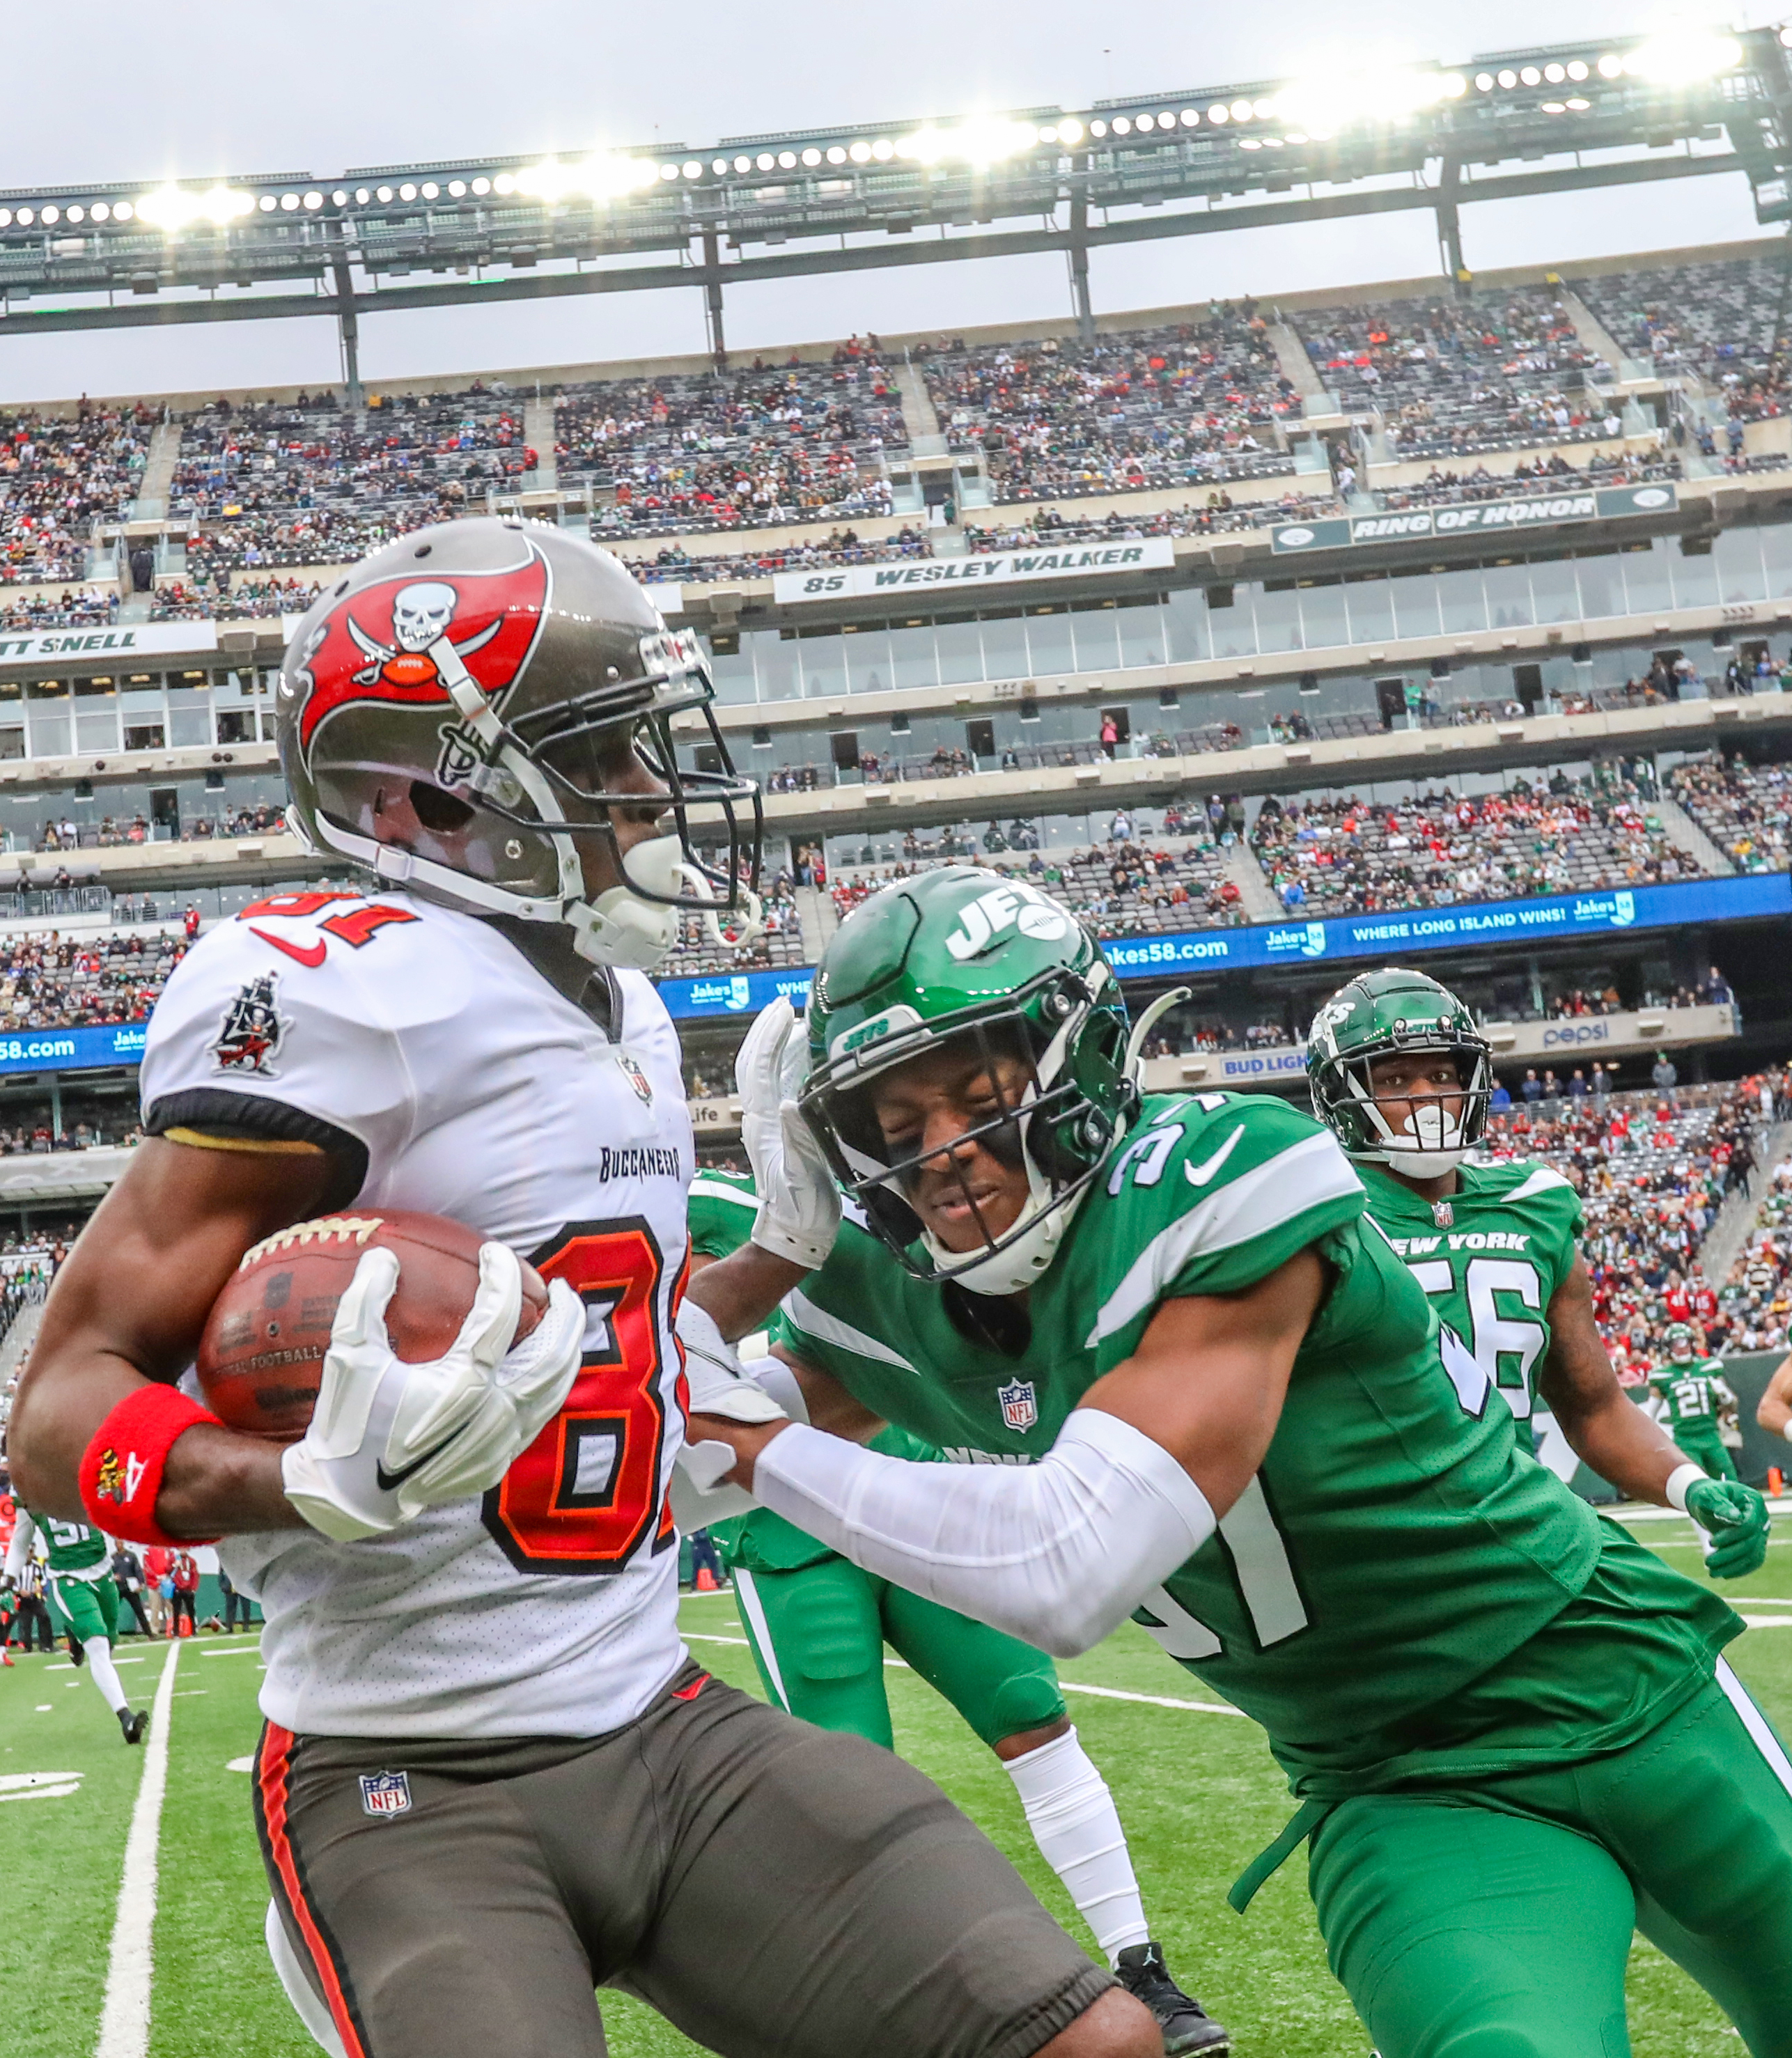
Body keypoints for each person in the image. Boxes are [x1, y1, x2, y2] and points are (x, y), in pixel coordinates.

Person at [6, 524, 1151, 2058]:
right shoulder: (343, 989)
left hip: (650, 1713)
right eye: (602, 750)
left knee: (1088, 2042)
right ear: (434, 791)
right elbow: (61, 1402)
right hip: (403, 1771)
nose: (650, 787)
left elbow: (612, 1333)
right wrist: (297, 1474)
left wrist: (762, 1284)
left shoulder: (618, 995)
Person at [685, 866, 1792, 2058]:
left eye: (978, 1092)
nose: (945, 1154)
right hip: (1409, 1785)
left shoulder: (1224, 1174)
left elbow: (1064, 1566)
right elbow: (661, 1445)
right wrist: (769, 1257)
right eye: (895, 1129)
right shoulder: (888, 1294)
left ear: (1082, 1057)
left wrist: (753, 1443)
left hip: (1625, 1688)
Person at [686, 1164, 1222, 2052]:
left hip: (905, 1478)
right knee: (847, 1780)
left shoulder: (711, 1197)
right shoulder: (526, 1238)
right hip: (781, 1527)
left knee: (1027, 1712)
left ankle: (1139, 1967)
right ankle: (897, 2011)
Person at [1302, 966, 1775, 1580]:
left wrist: (1689, 1485)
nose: (1427, 1095)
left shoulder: (1535, 1203)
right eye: (1394, 1078)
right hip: (1377, 1555)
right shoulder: (1312, 1216)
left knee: (1684, 1656)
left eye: (1442, 1073)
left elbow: (1595, 1407)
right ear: (1338, 1095)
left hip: (1518, 1528)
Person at [4, 1507, 145, 1745]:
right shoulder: (31, 1490)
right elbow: (20, 1543)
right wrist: (6, 1583)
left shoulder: (86, 1473)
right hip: (67, 1578)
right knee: (98, 1646)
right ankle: (126, 1718)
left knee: (109, 1643)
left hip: (103, 1572)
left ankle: (74, 1635)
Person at [1638, 1323, 1745, 1488]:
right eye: (1676, 1344)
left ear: (1692, 1344)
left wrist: (1725, 1396)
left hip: (1712, 1436)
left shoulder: (1709, 1367)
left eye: (1685, 1342)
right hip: (1685, 1439)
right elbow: (1650, 1414)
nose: (1682, 1348)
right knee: (1697, 1486)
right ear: (1668, 1348)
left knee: (1730, 1481)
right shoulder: (1662, 1376)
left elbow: (1732, 1406)